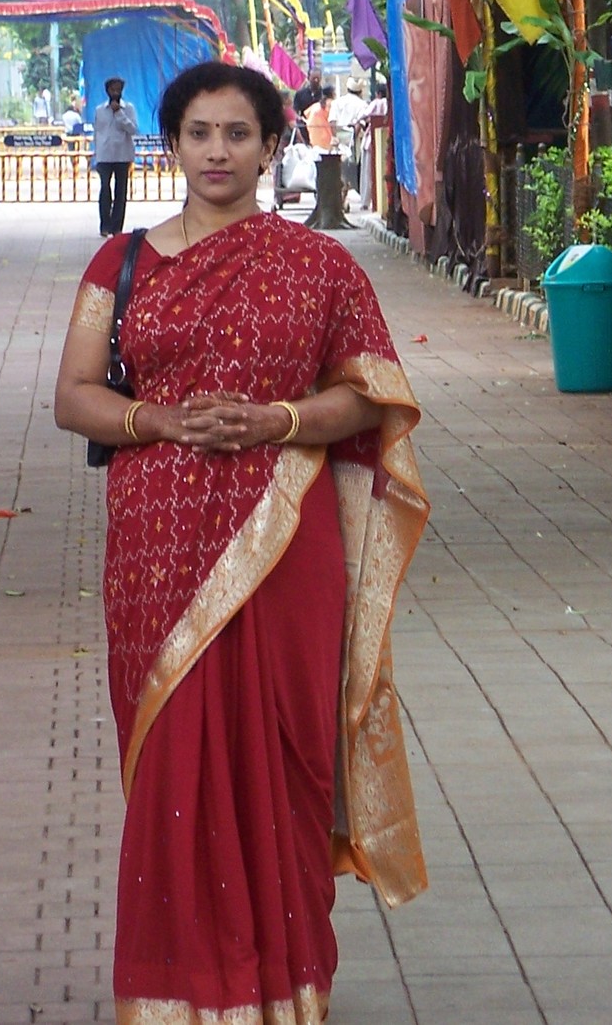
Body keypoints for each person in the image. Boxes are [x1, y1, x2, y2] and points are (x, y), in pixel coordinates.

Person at [52, 60, 428, 1022]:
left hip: (285, 537)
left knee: (284, 753)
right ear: (170, 145)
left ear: (271, 146)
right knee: (177, 750)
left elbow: (371, 392)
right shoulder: (118, 263)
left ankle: (284, 984)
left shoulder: (319, 265)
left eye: (238, 134)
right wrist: (161, 424)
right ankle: (180, 992)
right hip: (158, 543)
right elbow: (76, 396)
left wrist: (278, 421)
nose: (218, 151)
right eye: (199, 133)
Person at [89, 76, 139, 238]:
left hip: (123, 155)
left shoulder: (128, 108)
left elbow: (133, 129)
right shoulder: (99, 110)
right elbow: (97, 132)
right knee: (105, 189)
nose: (115, 92)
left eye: (118, 89)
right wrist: (96, 153)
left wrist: (119, 113)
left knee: (121, 192)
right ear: (107, 91)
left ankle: (117, 227)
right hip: (104, 155)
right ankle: (105, 225)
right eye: (113, 89)